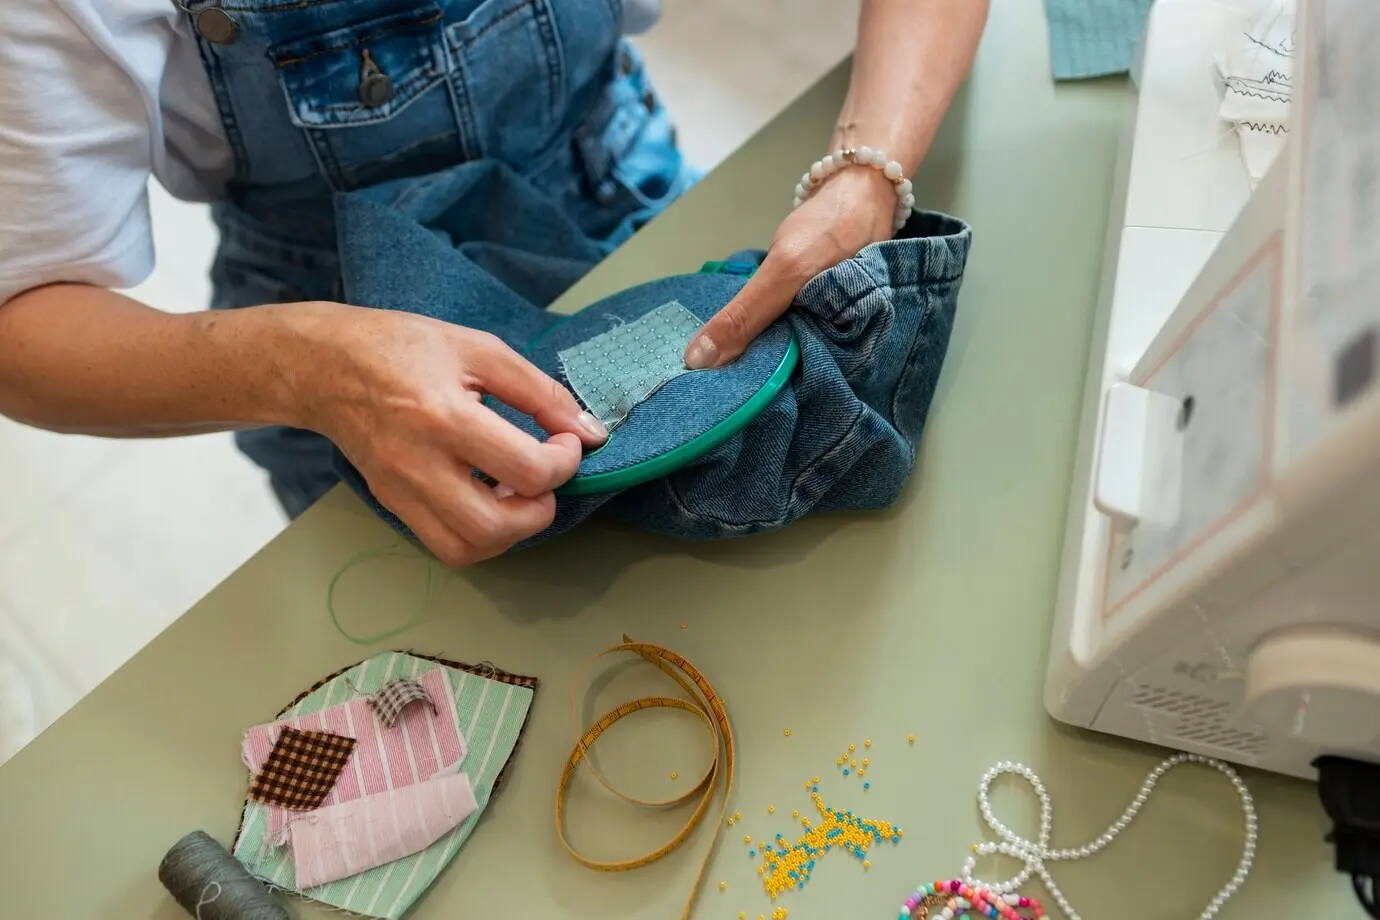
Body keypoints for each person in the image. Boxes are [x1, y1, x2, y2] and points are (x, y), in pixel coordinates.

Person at [0, 0, 988, 567]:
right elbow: (23, 326)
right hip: (332, 322)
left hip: (623, 193)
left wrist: (868, 170)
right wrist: (309, 368)